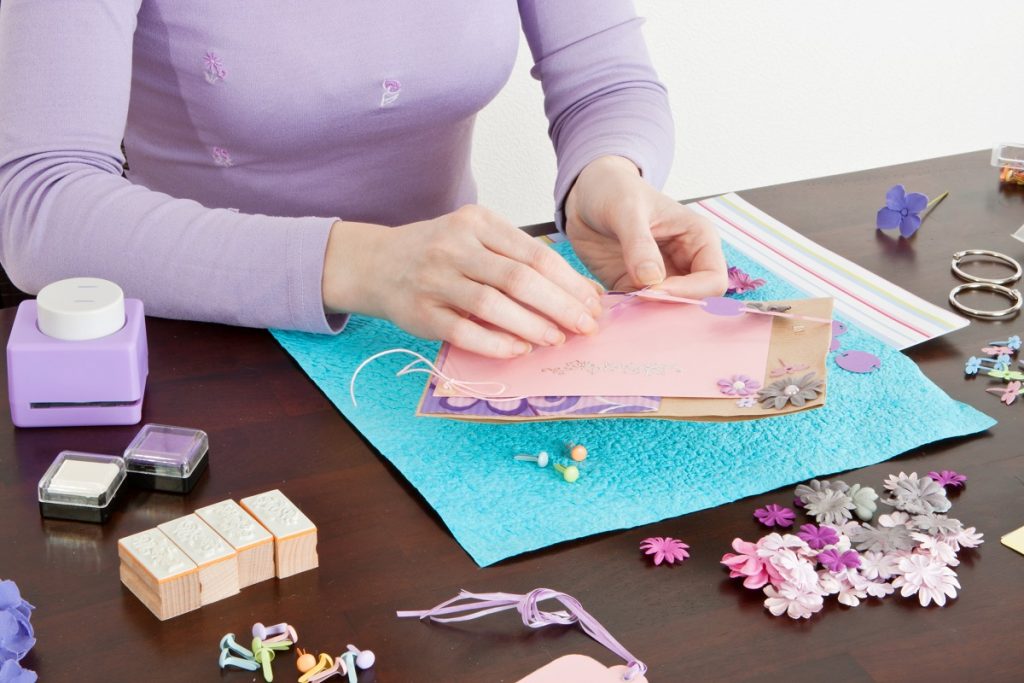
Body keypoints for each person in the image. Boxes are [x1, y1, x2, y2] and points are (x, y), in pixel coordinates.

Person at [0, 1, 726, 358]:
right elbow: (37, 204)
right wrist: (367, 263)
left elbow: (604, 82)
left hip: (443, 335)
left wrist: (605, 176)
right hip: (213, 354)